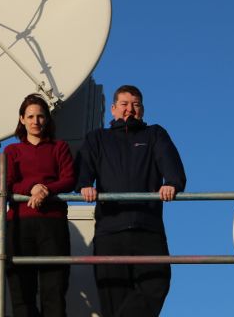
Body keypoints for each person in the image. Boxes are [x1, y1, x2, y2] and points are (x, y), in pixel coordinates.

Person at [77, 85, 186, 317]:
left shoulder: (154, 135)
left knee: (157, 284)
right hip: (110, 231)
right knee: (113, 299)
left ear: (142, 110)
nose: (130, 110)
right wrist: (84, 185)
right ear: (114, 109)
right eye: (125, 104)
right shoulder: (97, 139)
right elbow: (82, 169)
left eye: (135, 105)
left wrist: (173, 183)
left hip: (147, 228)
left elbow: (172, 165)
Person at [4, 94, 75, 317]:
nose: (36, 121)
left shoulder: (59, 147)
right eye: (31, 116)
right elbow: (7, 183)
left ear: (47, 120)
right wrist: (32, 187)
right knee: (21, 291)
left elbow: (69, 178)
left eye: (41, 116)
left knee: (54, 289)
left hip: (52, 223)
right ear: (22, 119)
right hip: (19, 224)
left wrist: (45, 189)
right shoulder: (12, 151)